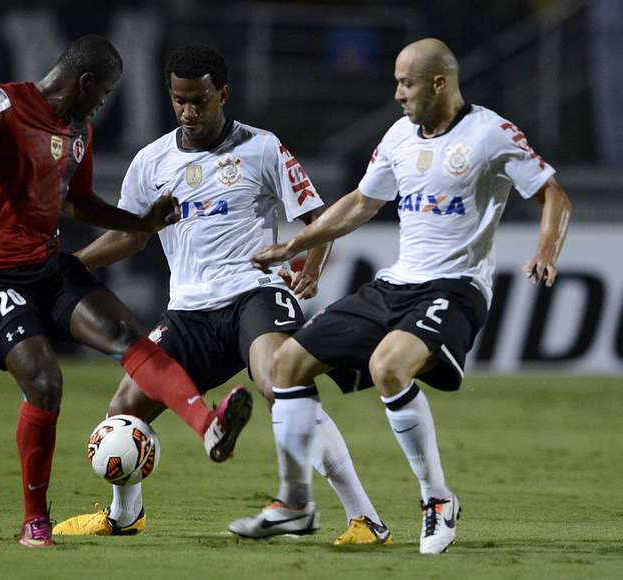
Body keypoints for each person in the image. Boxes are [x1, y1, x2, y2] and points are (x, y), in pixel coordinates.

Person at [229, 38, 571, 554]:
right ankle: (295, 504)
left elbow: (554, 194)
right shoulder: (398, 136)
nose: (397, 94)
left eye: (406, 83)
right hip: (396, 283)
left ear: (439, 83)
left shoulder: (490, 133)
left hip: (456, 287)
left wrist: (546, 250)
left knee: (390, 367)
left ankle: (437, 500)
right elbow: (363, 203)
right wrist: (297, 243)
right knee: (286, 365)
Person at [0, 35, 253, 549]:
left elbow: (80, 204)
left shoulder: (78, 134)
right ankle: (36, 521)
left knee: (130, 338)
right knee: (45, 380)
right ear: (86, 82)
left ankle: (209, 427)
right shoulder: (8, 101)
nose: (103, 103)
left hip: (46, 264)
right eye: (105, 92)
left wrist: (140, 222)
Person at [52, 45, 391, 546]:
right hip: (188, 313)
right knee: (122, 410)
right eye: (179, 100)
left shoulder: (262, 148)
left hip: (254, 294)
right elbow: (130, 235)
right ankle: (126, 514)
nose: (189, 112)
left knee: (283, 385)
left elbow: (318, 220)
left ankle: (366, 519)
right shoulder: (152, 162)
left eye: (200, 101)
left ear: (222, 94)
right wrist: (74, 263)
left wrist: (312, 270)